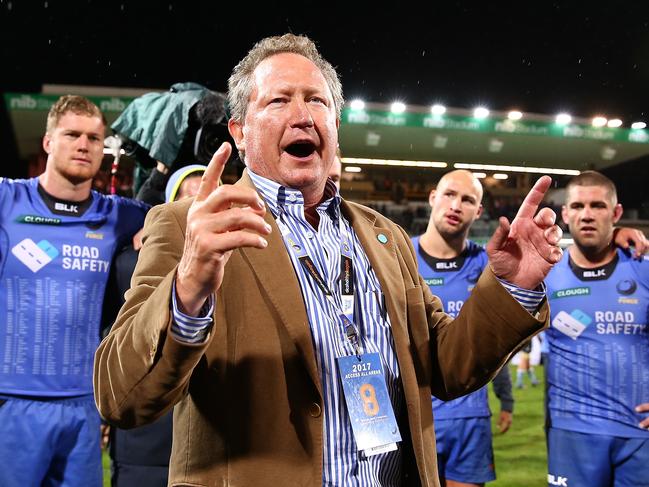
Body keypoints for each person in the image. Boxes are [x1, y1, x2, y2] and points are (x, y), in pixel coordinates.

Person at [95, 33, 564, 486]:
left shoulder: (385, 236)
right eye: (278, 101)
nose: (302, 116)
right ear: (239, 131)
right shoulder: (187, 226)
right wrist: (187, 291)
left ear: (336, 124)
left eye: (316, 101)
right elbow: (122, 397)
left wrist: (512, 287)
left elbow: (446, 365)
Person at [0, 95, 148, 486]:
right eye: (72, 134)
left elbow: (177, 215)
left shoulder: (120, 215)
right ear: (48, 142)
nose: (84, 145)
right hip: (12, 402)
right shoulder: (7, 200)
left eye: (94, 138)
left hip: (83, 406)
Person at [545, 171, 649, 487]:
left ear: (616, 214)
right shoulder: (545, 275)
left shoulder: (643, 268)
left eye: (598, 206)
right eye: (577, 206)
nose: (587, 215)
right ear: (565, 214)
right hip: (570, 432)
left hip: (639, 433)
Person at [105, 164, 207, 487]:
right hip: (145, 439)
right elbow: (111, 333)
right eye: (187, 197)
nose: (197, 205)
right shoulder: (127, 262)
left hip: (206, 435)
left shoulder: (239, 262)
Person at [412, 170, 514, 487]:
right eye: (449, 195)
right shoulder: (398, 257)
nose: (456, 205)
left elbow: (499, 342)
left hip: (469, 419)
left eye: (468, 199)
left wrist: (506, 399)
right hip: (415, 418)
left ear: (479, 211)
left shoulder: (489, 265)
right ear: (433, 198)